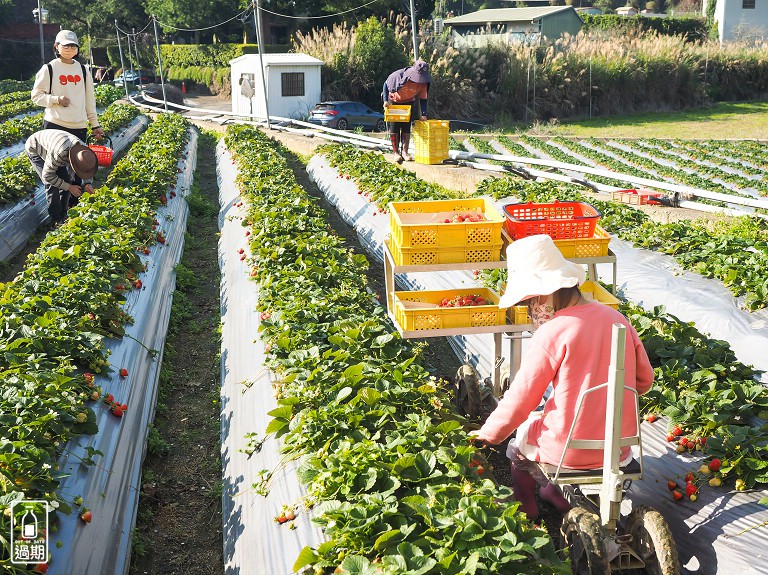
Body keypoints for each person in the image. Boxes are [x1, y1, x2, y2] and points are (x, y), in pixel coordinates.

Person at [471, 234, 654, 520]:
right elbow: (644, 381)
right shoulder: (617, 319)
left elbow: (522, 398)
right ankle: (554, 494)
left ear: (545, 293)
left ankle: (526, 507)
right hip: (619, 450)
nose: (532, 308)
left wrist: (489, 434)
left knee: (517, 449)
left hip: (567, 451)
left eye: (532, 299)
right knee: (547, 424)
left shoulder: (552, 332)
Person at [31, 30, 105, 207]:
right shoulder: (49, 68)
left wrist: (95, 125)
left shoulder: (82, 69)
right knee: (58, 171)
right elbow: (36, 96)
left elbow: (89, 99)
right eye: (66, 46)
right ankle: (57, 214)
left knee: (77, 171)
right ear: (56, 47)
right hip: (54, 125)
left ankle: (73, 209)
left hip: (78, 126)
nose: (70, 49)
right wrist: (55, 100)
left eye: (73, 46)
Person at [25, 129, 98, 226]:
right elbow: (47, 176)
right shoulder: (59, 153)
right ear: (70, 161)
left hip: (56, 145)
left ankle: (64, 214)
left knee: (66, 180)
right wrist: (69, 187)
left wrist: (87, 183)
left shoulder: (84, 151)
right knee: (52, 185)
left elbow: (86, 169)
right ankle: (56, 219)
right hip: (36, 148)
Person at [382, 59, 431, 163]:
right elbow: (386, 84)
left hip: (408, 102)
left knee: (406, 126)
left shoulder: (423, 84)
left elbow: (423, 99)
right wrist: (385, 100)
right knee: (394, 126)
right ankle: (396, 152)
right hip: (395, 101)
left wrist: (424, 114)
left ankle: (405, 152)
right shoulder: (398, 76)